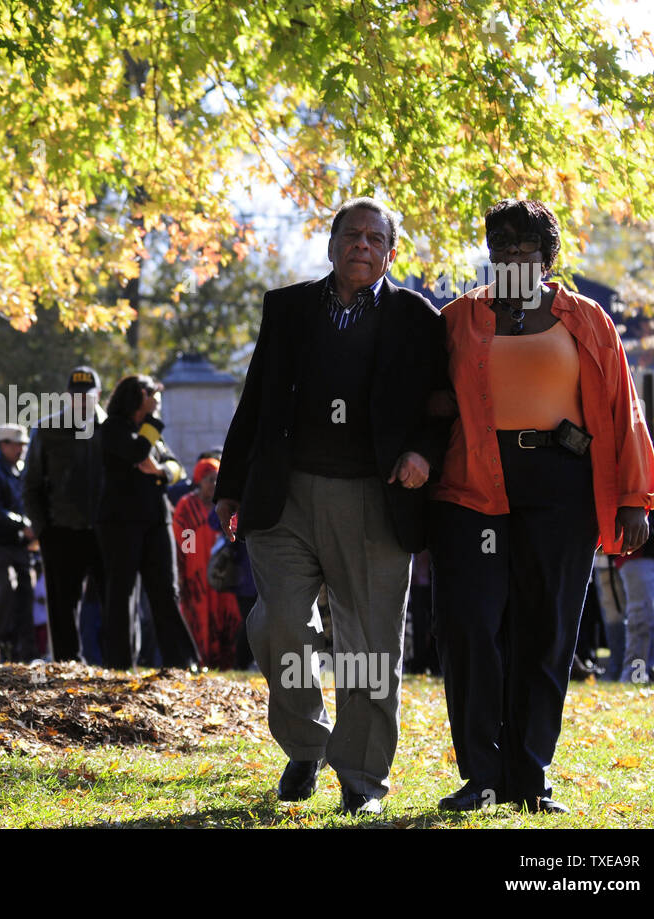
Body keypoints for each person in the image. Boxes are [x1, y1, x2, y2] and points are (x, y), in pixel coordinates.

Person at [214, 197, 450, 815]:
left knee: (370, 645)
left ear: (391, 253)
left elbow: (444, 403)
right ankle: (306, 744)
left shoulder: (418, 318)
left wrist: (424, 452)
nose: (363, 246)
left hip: (375, 500)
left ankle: (363, 777)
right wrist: (230, 486)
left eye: (376, 238)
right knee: (278, 624)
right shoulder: (287, 308)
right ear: (331, 244)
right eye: (352, 235)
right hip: (284, 496)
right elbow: (257, 398)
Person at [427, 198, 654, 814]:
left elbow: (622, 411)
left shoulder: (586, 319)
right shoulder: (457, 318)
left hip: (561, 488)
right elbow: (420, 397)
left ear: (547, 258)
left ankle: (531, 776)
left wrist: (635, 497)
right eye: (499, 245)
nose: (510, 256)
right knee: (471, 629)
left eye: (524, 248)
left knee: (548, 631)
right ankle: (480, 775)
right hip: (472, 488)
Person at [98, 374, 200, 670]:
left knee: (166, 590)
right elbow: (136, 452)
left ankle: (182, 661)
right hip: (120, 523)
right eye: (153, 394)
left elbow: (176, 466)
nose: (158, 400)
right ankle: (120, 663)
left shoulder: (151, 432)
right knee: (122, 591)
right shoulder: (112, 428)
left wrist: (162, 472)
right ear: (140, 395)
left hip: (156, 521)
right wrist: (152, 428)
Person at [23, 366, 106, 662]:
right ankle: (67, 663)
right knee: (62, 603)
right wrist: (43, 529)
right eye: (77, 396)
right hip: (60, 530)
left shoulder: (112, 430)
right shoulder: (46, 430)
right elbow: (30, 485)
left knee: (115, 600)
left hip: (105, 531)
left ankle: (117, 664)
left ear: (98, 396)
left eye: (88, 395)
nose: (82, 401)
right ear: (68, 397)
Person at [0, 424, 39, 662]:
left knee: (26, 591)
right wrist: (23, 524)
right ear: (3, 445)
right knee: (6, 587)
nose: (22, 449)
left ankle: (26, 651)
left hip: (19, 544)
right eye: (17, 444)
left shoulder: (21, 469)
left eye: (24, 444)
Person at [172, 457, 242, 669]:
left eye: (216, 479)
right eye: (209, 479)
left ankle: (229, 664)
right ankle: (200, 662)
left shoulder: (224, 505)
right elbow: (185, 544)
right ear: (199, 480)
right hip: (197, 575)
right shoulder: (187, 506)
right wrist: (184, 573)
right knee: (200, 619)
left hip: (223, 575)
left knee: (228, 615)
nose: (213, 484)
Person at [614, 460, 654, 682]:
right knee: (644, 621)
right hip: (637, 555)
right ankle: (635, 675)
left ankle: (650, 671)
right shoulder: (625, 467)